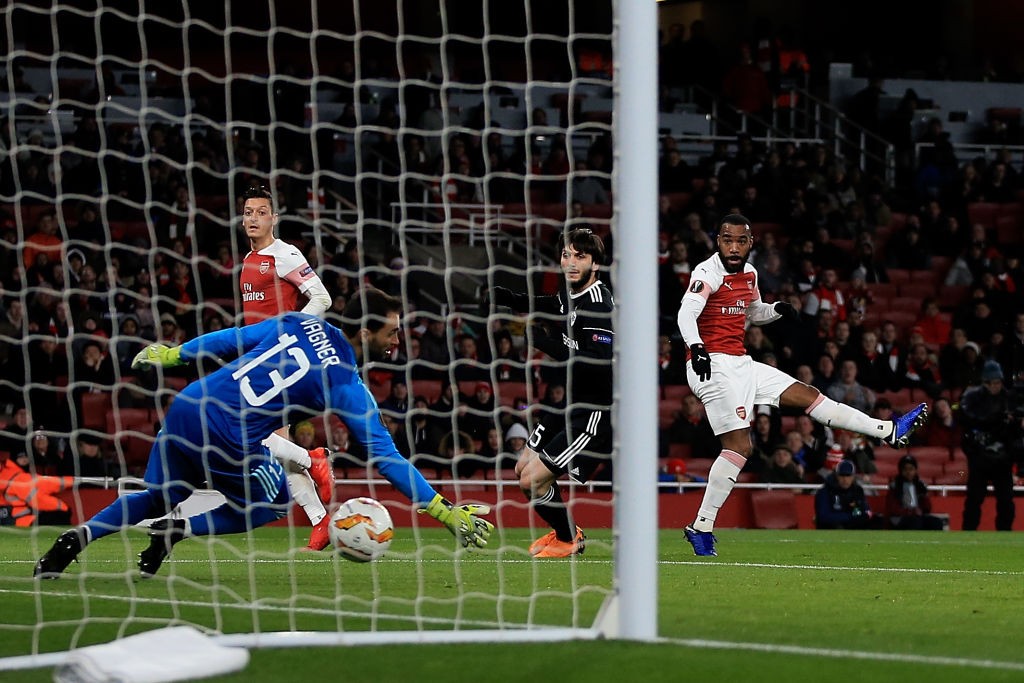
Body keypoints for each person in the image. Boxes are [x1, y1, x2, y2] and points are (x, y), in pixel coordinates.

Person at [34, 292, 494, 579]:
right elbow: (386, 457)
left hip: (190, 404)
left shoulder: (299, 322)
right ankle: (182, 529)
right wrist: (441, 509)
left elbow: (232, 338)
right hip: (227, 433)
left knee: (157, 495)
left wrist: (176, 355)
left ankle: (74, 541)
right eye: (391, 332)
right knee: (273, 501)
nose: (397, 342)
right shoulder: (345, 382)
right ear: (364, 330)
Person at [676, 214, 928, 556]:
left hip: (741, 362)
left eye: (740, 241)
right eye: (726, 240)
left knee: (809, 395)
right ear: (717, 241)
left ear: (751, 244)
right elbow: (686, 313)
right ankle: (701, 526)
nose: (733, 248)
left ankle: (888, 430)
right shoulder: (706, 273)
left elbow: (752, 312)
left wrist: (777, 309)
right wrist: (697, 347)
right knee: (740, 446)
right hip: (711, 364)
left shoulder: (750, 275)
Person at [490, 228, 613, 558]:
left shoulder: (599, 306)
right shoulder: (571, 293)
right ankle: (567, 532)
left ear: (596, 265)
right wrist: (512, 299)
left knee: (532, 481)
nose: (571, 263)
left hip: (593, 412)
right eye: (566, 255)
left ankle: (568, 537)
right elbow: (551, 303)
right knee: (521, 470)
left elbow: (601, 363)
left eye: (580, 256)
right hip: (567, 403)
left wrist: (550, 345)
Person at [237, 185, 336, 551]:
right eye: (248, 211)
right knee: (277, 442)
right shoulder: (248, 260)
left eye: (261, 212)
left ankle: (314, 458)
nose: (253, 218)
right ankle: (320, 521)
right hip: (258, 358)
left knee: (255, 435)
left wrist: (287, 333)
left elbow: (322, 298)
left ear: (273, 218)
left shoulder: (285, 253)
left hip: (280, 358)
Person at [959, 361, 1019, 531]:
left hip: (1002, 457)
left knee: (1006, 499)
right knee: (974, 498)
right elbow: (967, 418)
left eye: (997, 382)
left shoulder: (1009, 398)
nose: (995, 386)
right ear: (984, 383)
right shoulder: (972, 397)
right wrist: (998, 419)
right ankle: (968, 533)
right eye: (991, 383)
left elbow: (1013, 428)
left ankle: (1004, 533)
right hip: (980, 455)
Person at [814, 460, 880, 529]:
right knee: (836, 526)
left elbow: (866, 510)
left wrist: (866, 514)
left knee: (876, 520)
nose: (845, 479)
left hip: (852, 524)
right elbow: (823, 516)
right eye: (842, 475)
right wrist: (850, 517)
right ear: (837, 476)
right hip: (833, 527)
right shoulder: (826, 491)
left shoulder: (857, 491)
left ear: (853, 476)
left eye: (848, 475)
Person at [884, 454, 945, 530]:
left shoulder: (920, 485)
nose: (908, 472)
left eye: (911, 469)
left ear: (915, 470)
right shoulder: (895, 486)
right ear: (901, 471)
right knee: (915, 522)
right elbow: (893, 509)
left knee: (936, 522)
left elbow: (927, 508)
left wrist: (924, 497)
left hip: (918, 516)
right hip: (900, 517)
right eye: (905, 469)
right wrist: (910, 512)